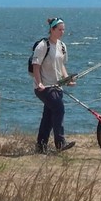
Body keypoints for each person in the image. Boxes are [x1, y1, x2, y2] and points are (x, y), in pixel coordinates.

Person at [31, 17, 76, 153]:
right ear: (52, 29)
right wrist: (39, 83)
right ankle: (60, 143)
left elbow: (61, 65)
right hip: (44, 88)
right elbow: (36, 66)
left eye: (63, 30)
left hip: (57, 87)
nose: (62, 32)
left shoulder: (62, 46)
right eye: (59, 29)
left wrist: (67, 79)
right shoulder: (43, 45)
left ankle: (41, 146)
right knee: (59, 108)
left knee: (48, 117)